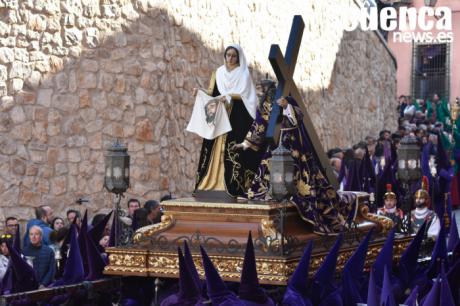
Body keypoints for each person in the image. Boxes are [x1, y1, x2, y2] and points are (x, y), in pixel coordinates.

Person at [234, 79, 345, 234]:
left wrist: (286, 105)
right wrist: (245, 143)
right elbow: (258, 125)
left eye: (260, 89)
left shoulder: (287, 99)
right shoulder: (264, 105)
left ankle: (292, 191)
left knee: (298, 169)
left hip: (293, 140)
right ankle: (268, 191)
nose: (258, 92)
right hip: (275, 142)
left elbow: (298, 116)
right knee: (267, 166)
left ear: (268, 89)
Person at [188, 44, 262, 199]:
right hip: (219, 116)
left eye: (233, 55)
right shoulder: (219, 73)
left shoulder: (243, 74)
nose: (230, 58)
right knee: (214, 151)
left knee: (230, 152)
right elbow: (212, 92)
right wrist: (200, 92)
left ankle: (230, 186)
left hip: (236, 117)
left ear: (238, 57)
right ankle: (209, 183)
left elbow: (247, 96)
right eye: (228, 55)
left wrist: (228, 97)